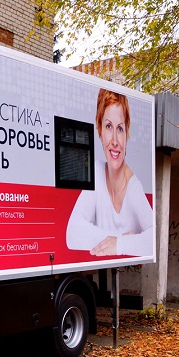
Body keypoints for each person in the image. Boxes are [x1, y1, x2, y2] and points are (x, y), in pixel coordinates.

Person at [66, 89, 153, 257]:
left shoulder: (133, 187)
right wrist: (120, 240)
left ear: (127, 133)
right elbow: (72, 232)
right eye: (108, 127)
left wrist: (118, 244)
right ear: (99, 131)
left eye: (120, 129)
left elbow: (153, 240)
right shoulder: (97, 173)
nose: (114, 141)